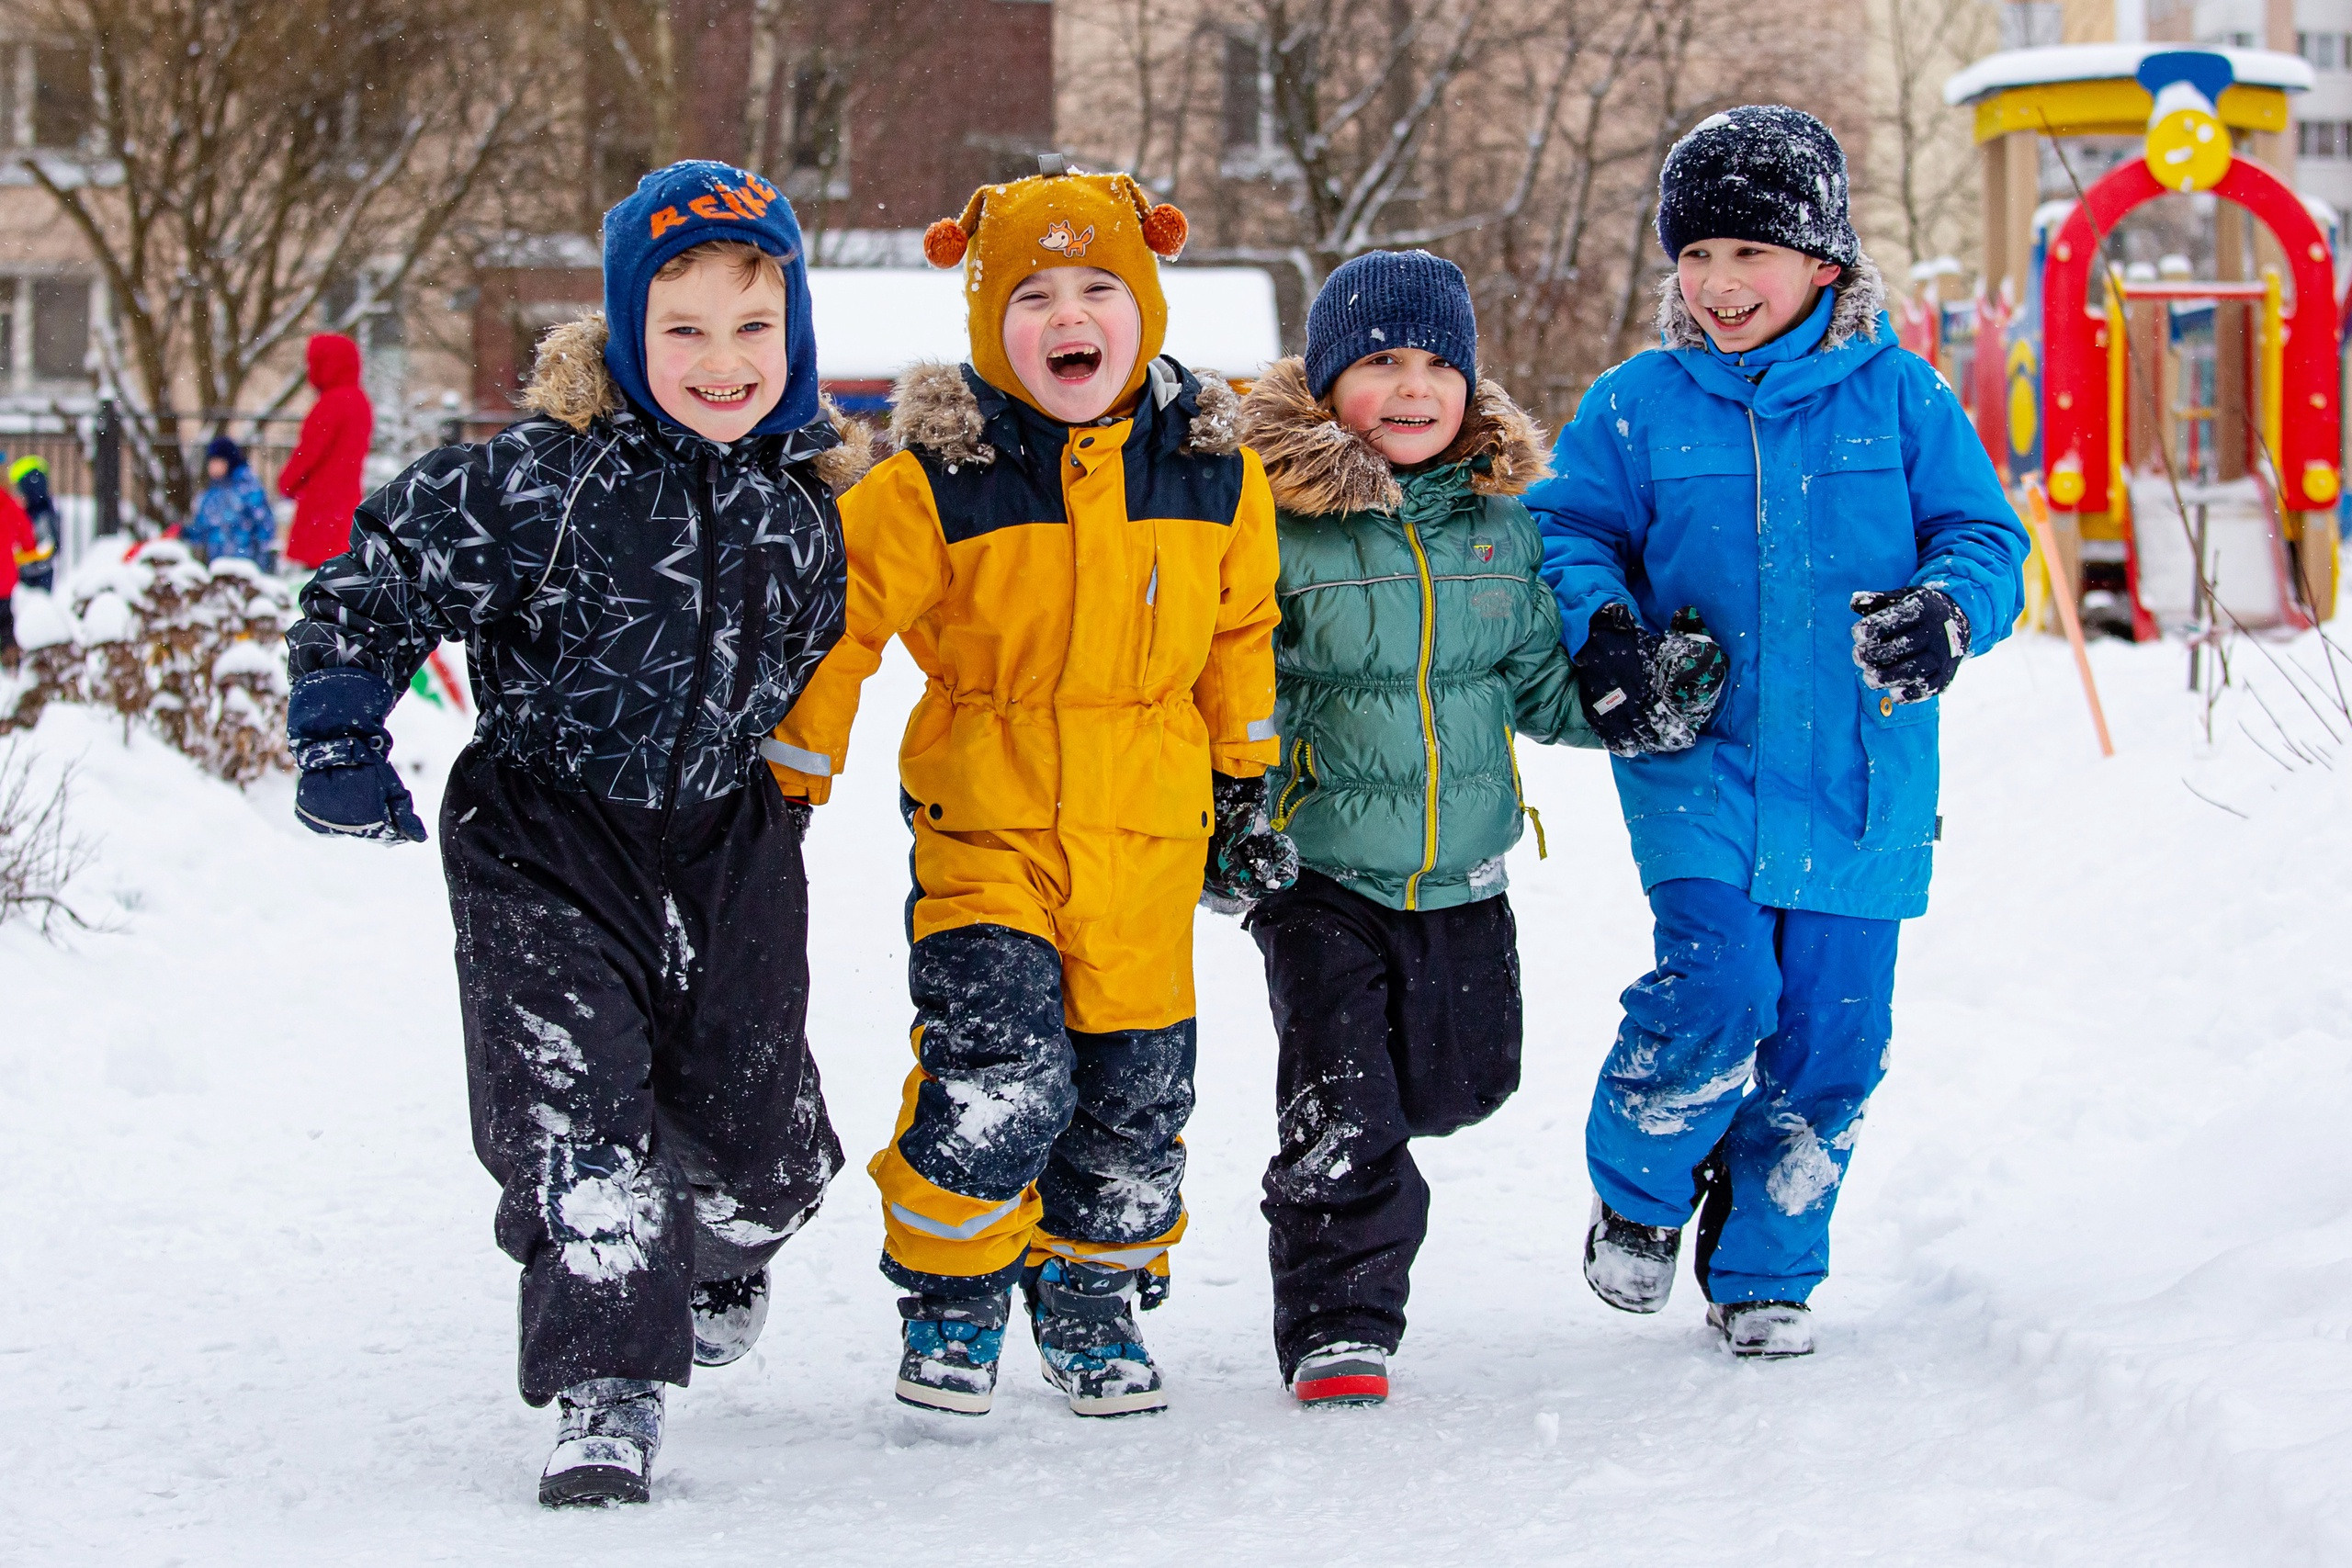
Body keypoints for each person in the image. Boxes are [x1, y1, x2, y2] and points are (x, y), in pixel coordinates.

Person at [284, 162, 864, 1506]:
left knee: (760, 1139)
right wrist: (337, 727)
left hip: (727, 836)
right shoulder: (541, 481)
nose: (724, 364)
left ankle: (725, 1247)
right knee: (577, 1111)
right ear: (621, 332)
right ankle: (610, 1382)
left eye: (752, 329)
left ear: (795, 337)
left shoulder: (801, 507)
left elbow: (807, 653)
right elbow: (376, 578)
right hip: (545, 831)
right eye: (683, 331)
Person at [763, 163, 1294, 1420]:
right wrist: (793, 767)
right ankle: (952, 1289)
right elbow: (841, 626)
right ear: (989, 322)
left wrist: (1245, 782)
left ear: (1146, 306)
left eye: (1099, 286)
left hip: (1152, 832)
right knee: (999, 1068)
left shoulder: (1217, 476)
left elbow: (1241, 634)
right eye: (1034, 292)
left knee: (1135, 1087)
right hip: (988, 821)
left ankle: (1094, 1287)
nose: (1069, 316)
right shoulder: (938, 478)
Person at [1525, 106, 2027, 1359]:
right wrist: (1606, 630)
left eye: (1748, 254)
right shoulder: (1638, 404)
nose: (1718, 284)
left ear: (1824, 264)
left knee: (1833, 1034)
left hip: (1862, 776)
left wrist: (1951, 610)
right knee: (1721, 985)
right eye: (1695, 257)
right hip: (1703, 757)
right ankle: (1639, 1194)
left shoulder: (1903, 399)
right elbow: (1566, 529)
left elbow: (1987, 537)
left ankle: (1765, 1263)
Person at [1233, 250, 1721, 1407]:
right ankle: (1338, 1321)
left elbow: (1540, 690)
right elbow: (1229, 682)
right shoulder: (1270, 523)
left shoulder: (1504, 534)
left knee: (1459, 1086)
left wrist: (1641, 700)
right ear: (1323, 383)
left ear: (1469, 385)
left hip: (1463, 874)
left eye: (1435, 365)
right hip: (1318, 871)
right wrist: (1228, 812)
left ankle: (1375, 1151)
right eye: (1378, 364)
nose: (1410, 388)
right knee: (1342, 1110)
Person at [277, 332, 372, 573]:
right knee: (338, 565)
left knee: (316, 567)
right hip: (346, 497)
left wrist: (287, 483)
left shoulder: (332, 403)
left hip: (321, 499)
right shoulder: (360, 401)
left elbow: (308, 452)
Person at [184, 435, 278, 570]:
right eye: (211, 462)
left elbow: (264, 524)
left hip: (247, 564)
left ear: (229, 461)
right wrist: (185, 532)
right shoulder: (211, 494)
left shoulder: (248, 488)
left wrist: (264, 557)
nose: (212, 466)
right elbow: (203, 527)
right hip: (218, 565)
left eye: (217, 461)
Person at [9, 455, 56, 592]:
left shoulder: (41, 515)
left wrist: (20, 557)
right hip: (27, 572)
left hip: (39, 572)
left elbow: (48, 546)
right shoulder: (27, 512)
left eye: (20, 489)